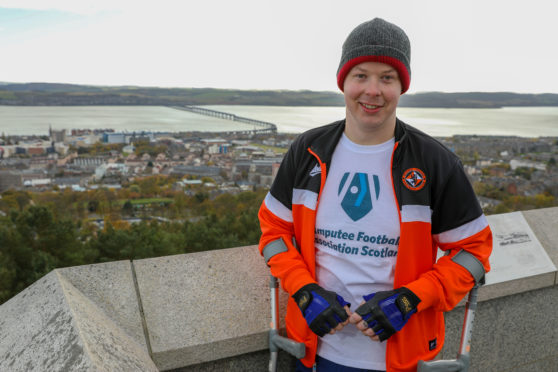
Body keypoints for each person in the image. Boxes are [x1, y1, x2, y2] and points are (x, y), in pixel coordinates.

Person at [258, 18, 492, 372]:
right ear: (343, 82)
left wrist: (410, 299)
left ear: (402, 87)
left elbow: (474, 253)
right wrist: (304, 290)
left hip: (401, 359)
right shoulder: (308, 151)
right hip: (312, 354)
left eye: (387, 78)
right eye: (361, 75)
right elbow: (274, 233)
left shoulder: (434, 162)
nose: (373, 90)